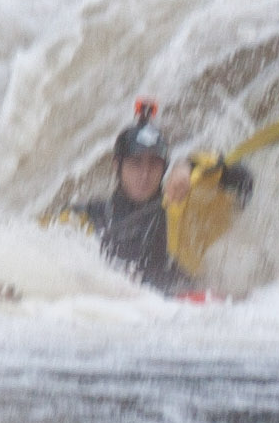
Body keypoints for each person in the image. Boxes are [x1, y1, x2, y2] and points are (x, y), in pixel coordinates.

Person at [50, 103, 254, 296]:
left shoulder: (181, 210)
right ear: (116, 166)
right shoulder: (88, 216)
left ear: (165, 167)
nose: (145, 174)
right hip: (118, 310)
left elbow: (243, 182)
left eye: (154, 164)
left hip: (177, 309)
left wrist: (189, 166)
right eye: (136, 163)